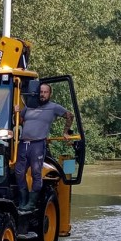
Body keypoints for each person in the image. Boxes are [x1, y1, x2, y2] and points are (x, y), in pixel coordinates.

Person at [14, 82, 73, 212]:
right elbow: (20, 121)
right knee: (19, 172)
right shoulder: (29, 106)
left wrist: (66, 132)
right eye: (41, 92)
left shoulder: (53, 107)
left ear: (50, 94)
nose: (43, 94)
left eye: (46, 92)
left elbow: (69, 115)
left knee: (36, 172)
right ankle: (23, 200)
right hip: (24, 143)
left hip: (38, 144)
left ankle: (31, 202)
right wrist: (16, 112)